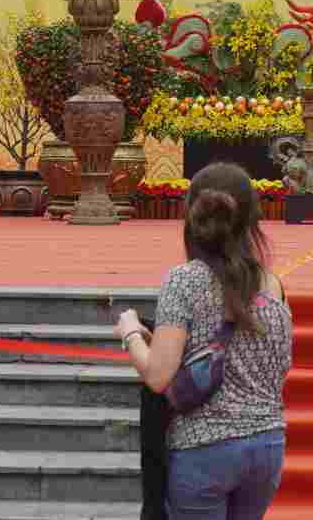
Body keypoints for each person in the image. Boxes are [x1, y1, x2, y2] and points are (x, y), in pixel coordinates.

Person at [118, 163, 293, 520]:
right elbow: (279, 365)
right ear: (250, 219)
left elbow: (158, 375)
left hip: (205, 448)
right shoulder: (272, 285)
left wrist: (131, 332)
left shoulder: (184, 281)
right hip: (267, 446)